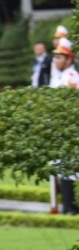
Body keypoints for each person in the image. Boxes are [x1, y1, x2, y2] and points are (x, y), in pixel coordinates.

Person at [52, 37, 79, 214]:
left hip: (71, 129)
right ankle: (67, 206)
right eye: (55, 57)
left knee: (71, 169)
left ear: (69, 59)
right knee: (62, 168)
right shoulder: (61, 77)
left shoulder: (73, 78)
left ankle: (71, 207)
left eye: (60, 57)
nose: (56, 60)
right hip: (60, 130)